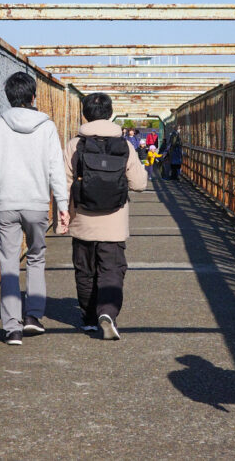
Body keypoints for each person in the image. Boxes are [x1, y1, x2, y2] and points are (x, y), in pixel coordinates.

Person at [0, 72, 70, 346]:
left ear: (9, 97)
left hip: (6, 202)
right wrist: (62, 206)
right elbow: (56, 170)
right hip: (37, 203)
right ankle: (32, 317)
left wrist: (1, 182)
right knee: (36, 257)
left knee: (8, 264)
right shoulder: (47, 127)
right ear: (33, 97)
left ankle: (12, 329)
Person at [65, 93, 148, 340]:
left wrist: (63, 214)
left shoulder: (75, 144)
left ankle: (89, 318)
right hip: (114, 220)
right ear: (111, 114)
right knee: (112, 269)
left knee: (85, 270)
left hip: (82, 219)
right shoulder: (124, 146)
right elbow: (140, 183)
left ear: (85, 114)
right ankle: (108, 312)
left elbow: (63, 182)